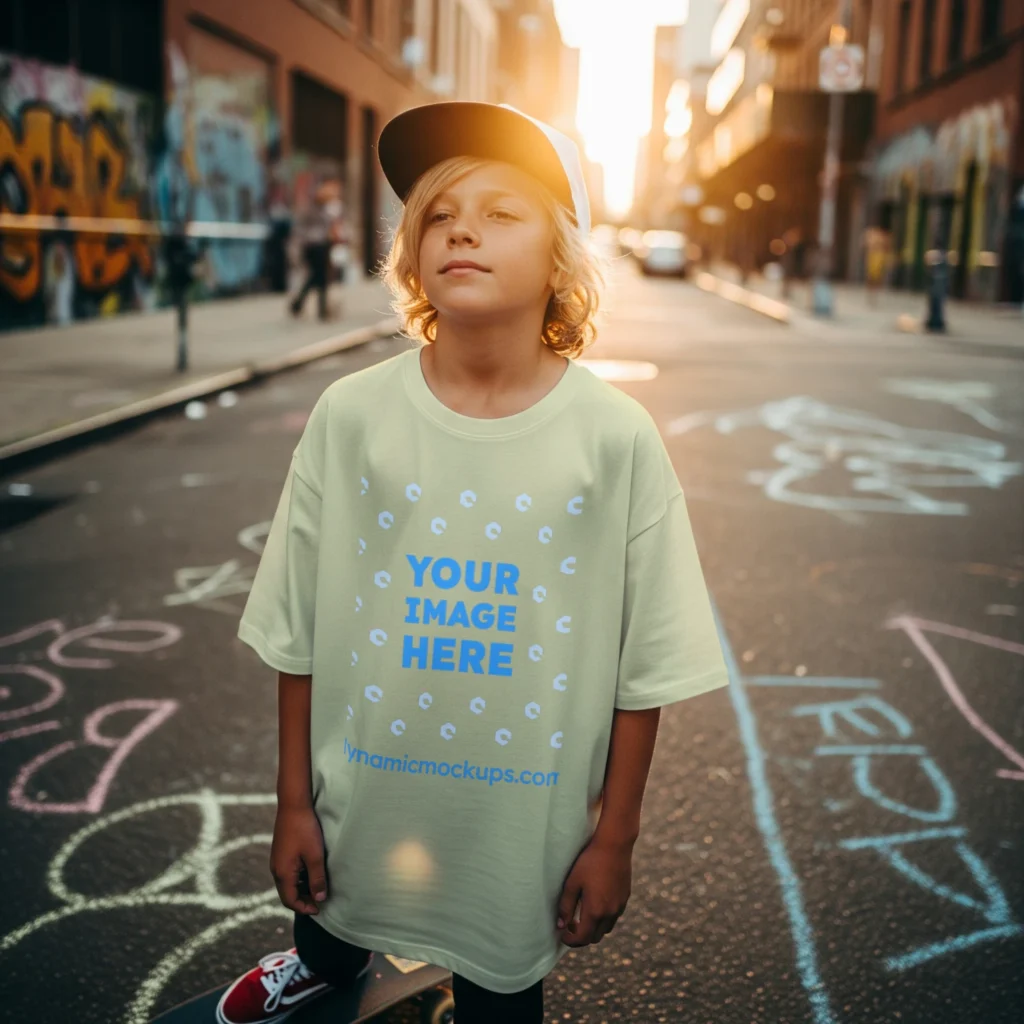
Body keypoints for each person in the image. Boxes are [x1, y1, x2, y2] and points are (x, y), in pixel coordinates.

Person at [220, 101, 729, 1024]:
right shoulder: (351, 416)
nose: (463, 227)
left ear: (562, 257)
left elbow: (644, 663)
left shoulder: (614, 440)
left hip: (518, 831)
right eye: (441, 213)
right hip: (359, 795)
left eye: (503, 212)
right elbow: (298, 629)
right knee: (329, 923)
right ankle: (323, 965)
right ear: (413, 251)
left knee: (501, 998)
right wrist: (293, 801)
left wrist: (615, 838)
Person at [289, 179, 342, 320]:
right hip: (313, 247)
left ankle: (303, 305)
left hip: (323, 246)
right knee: (319, 277)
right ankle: (318, 309)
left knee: (318, 277)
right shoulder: (310, 210)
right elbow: (300, 230)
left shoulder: (327, 209)